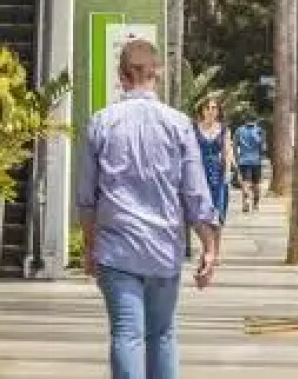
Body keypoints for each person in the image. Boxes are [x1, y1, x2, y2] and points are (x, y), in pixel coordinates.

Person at [77, 38, 220, 379]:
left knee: (126, 336)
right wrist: (210, 246)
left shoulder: (101, 123)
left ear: (121, 75)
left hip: (116, 249)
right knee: (163, 335)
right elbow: (195, 193)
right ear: (158, 73)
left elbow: (86, 197)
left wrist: (90, 245)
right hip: (163, 250)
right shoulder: (178, 124)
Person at [231, 115, 267, 211]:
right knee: (256, 183)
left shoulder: (239, 130)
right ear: (255, 120)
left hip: (243, 160)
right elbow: (263, 148)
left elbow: (234, 146)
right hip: (256, 161)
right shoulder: (259, 130)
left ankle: (246, 200)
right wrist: (261, 155)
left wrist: (236, 158)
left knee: (245, 182)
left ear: (245, 120)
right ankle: (255, 203)